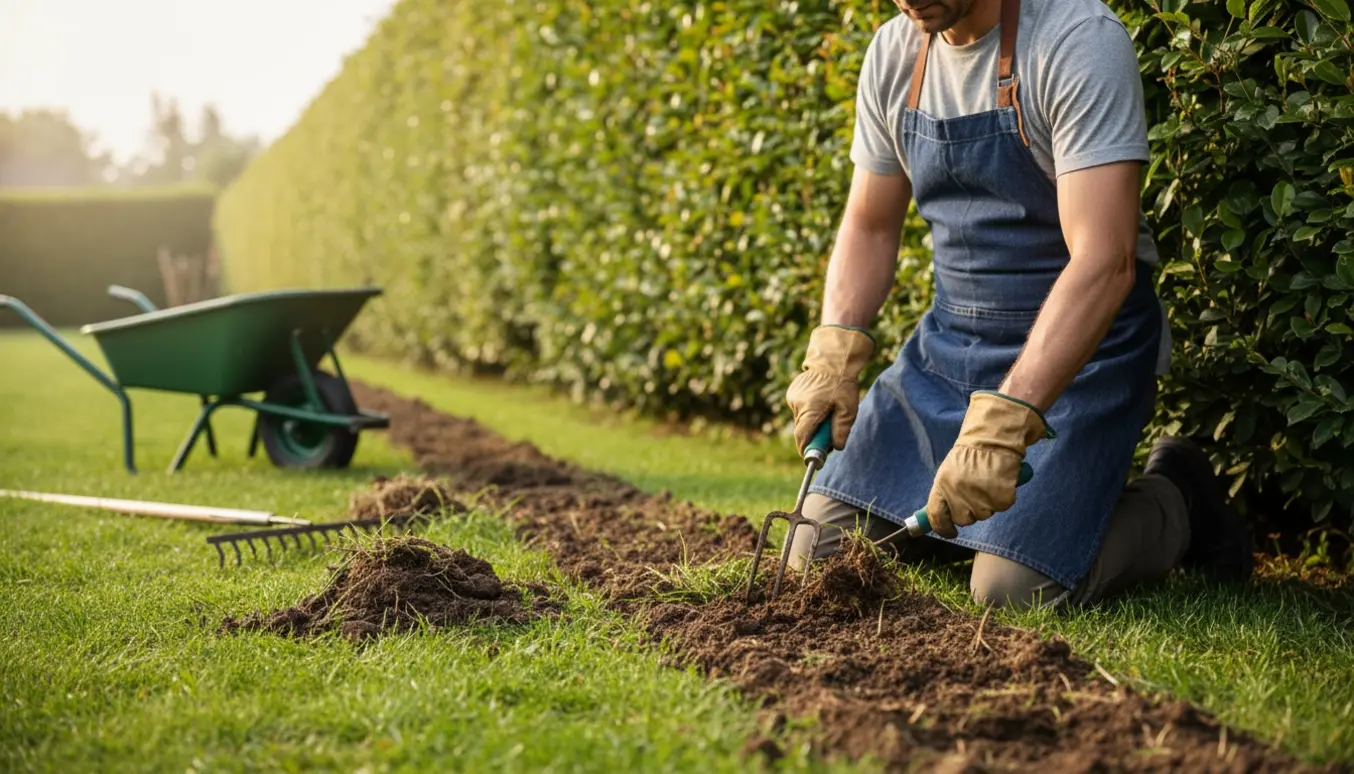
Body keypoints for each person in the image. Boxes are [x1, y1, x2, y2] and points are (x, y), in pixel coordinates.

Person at [783, 0, 1252, 609]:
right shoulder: (894, 54)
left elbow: (1105, 263)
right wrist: (834, 348)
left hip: (1083, 355)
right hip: (951, 348)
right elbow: (871, 225)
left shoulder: (1077, 39)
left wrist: (1009, 414)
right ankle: (981, 526)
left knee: (1012, 589)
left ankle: (1176, 497)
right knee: (813, 550)